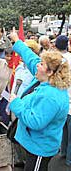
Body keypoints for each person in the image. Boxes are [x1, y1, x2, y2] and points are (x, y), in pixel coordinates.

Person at [9, 29, 71, 171]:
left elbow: (35, 121)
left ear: (50, 72)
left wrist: (16, 103)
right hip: (34, 144)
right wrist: (17, 41)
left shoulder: (51, 96)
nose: (37, 64)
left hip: (39, 148)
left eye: (42, 64)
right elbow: (31, 58)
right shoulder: (47, 79)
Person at [54, 35, 71, 167]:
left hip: (58, 100)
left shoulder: (54, 59)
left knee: (63, 130)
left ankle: (63, 152)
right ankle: (68, 159)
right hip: (69, 100)